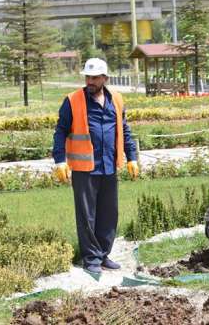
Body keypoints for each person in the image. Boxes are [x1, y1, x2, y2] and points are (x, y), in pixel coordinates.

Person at [52, 58, 139, 277]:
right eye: (87, 77)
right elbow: (60, 131)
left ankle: (103, 254)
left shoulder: (116, 100)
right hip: (84, 168)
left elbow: (124, 130)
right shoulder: (73, 101)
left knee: (109, 214)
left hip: (110, 166)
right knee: (87, 215)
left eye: (94, 77)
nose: (90, 81)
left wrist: (132, 157)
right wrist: (60, 160)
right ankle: (90, 258)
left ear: (105, 78)